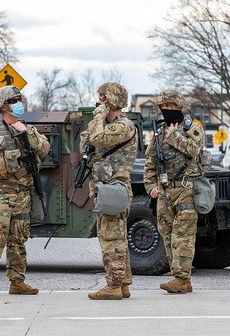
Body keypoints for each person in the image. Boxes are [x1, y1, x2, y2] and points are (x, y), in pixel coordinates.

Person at [0, 85, 50, 297]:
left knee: (18, 240)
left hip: (23, 193)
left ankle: (17, 281)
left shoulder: (28, 130)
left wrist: (25, 131)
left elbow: (44, 148)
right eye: (14, 101)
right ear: (3, 105)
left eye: (18, 100)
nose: (18, 104)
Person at [143, 89, 205, 294]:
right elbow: (150, 163)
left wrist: (174, 136)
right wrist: (151, 187)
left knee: (183, 236)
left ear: (180, 107)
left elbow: (194, 150)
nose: (167, 110)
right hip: (164, 191)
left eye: (171, 106)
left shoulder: (192, 128)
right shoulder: (158, 133)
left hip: (186, 189)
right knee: (167, 235)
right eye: (164, 107)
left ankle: (182, 278)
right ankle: (178, 277)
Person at [80, 82, 137, 300]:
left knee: (110, 237)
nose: (99, 102)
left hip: (115, 187)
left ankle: (113, 285)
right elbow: (85, 145)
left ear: (112, 100)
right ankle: (122, 283)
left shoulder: (123, 126)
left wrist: (97, 118)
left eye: (103, 98)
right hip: (106, 187)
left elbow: (98, 139)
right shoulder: (104, 124)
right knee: (116, 236)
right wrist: (99, 120)